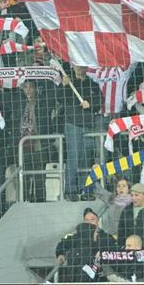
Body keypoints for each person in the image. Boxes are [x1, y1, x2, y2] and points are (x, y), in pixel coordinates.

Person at [58, 65, 103, 199]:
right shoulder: (68, 82)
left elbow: (99, 101)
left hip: (89, 125)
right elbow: (59, 99)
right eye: (76, 65)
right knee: (74, 157)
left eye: (81, 65)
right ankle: (70, 190)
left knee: (86, 157)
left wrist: (90, 105)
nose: (79, 68)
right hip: (73, 124)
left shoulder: (92, 84)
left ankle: (84, 189)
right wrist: (63, 86)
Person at [55, 208, 116, 282]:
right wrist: (60, 254)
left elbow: (114, 252)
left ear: (98, 221)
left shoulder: (106, 237)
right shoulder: (75, 237)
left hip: (99, 278)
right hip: (76, 277)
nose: (89, 222)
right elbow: (63, 243)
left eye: (92, 219)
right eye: (87, 220)